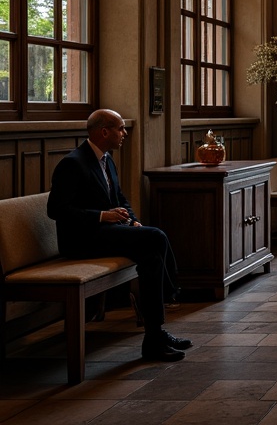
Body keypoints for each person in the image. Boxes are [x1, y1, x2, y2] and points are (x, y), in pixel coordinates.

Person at [46, 108, 191, 363]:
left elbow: (120, 199)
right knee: (155, 237)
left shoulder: (107, 159)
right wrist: (103, 216)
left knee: (150, 255)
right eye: (120, 128)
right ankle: (171, 294)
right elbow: (56, 210)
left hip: (106, 233)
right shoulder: (73, 163)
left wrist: (132, 221)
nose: (125, 133)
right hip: (81, 240)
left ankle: (154, 336)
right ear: (104, 132)